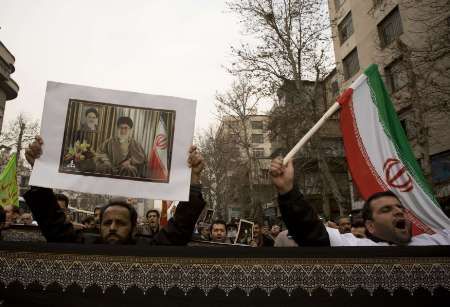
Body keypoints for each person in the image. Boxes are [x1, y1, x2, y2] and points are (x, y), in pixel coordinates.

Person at [23, 136, 205, 245]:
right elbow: (52, 223)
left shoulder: (149, 248)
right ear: (99, 225)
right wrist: (40, 170)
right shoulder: (82, 245)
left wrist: (194, 180)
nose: (112, 228)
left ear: (134, 228)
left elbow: (180, 229)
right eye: (107, 222)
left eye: (121, 223)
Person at [270, 157, 450, 246]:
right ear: (370, 227)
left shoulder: (436, 244)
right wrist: (287, 190)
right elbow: (312, 233)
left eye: (399, 207)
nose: (398, 212)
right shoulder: (362, 250)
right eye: (386, 209)